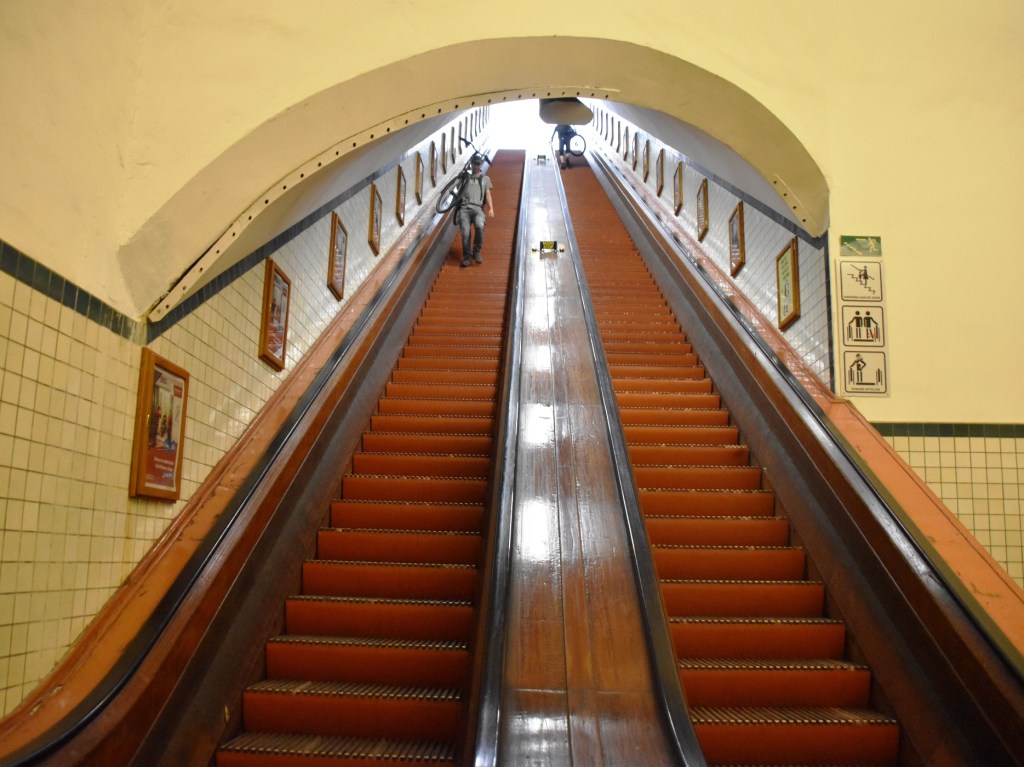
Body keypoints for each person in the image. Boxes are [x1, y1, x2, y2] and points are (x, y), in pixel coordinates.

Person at [457, 154, 495, 267]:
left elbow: (488, 194)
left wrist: (491, 208)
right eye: (474, 164)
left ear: (481, 166)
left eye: (478, 164)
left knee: (479, 227)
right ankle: (467, 257)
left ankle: (476, 252)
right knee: (465, 233)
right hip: (464, 208)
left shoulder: (485, 179)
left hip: (478, 209)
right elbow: (458, 189)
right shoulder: (466, 178)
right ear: (471, 164)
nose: (476, 166)